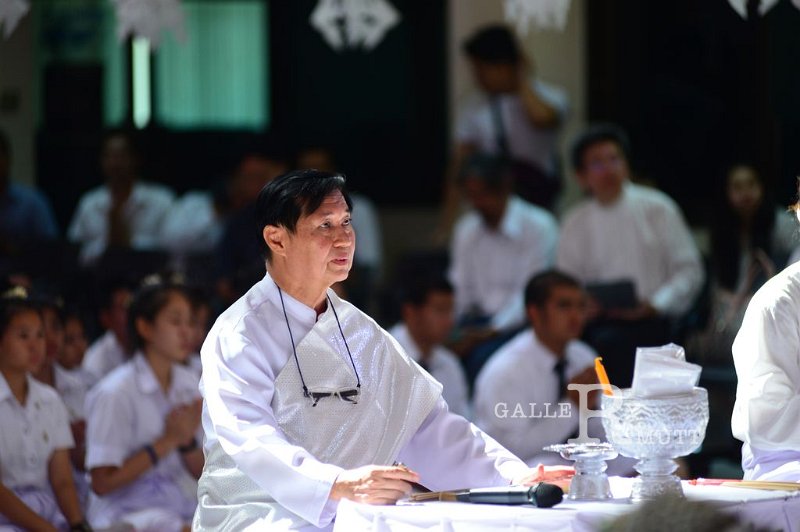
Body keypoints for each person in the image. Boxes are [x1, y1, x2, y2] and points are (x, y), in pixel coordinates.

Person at [194, 170, 573, 531]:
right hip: (258, 515)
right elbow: (249, 436)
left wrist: (511, 475)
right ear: (277, 240)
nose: (343, 238)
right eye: (325, 225)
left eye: (346, 222)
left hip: (350, 511)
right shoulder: (240, 332)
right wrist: (335, 484)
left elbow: (425, 425)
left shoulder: (359, 330)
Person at [556, 124, 704, 386]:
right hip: (597, 323)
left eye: (614, 159)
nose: (609, 169)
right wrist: (583, 304)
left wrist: (656, 303)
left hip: (653, 320)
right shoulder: (574, 222)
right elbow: (566, 281)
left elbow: (690, 270)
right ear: (581, 176)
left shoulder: (658, 208)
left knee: (615, 347)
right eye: (597, 164)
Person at [84, 276, 203, 531]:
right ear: (145, 327)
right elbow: (102, 483)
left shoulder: (190, 383)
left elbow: (203, 471)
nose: (187, 332)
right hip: (128, 511)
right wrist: (167, 441)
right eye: (175, 322)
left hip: (179, 500)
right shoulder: (115, 392)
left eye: (190, 322)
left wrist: (187, 443)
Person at [437, 24, 568, 240]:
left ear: (505, 66)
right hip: (493, 210)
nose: (478, 77)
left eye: (482, 69)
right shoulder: (473, 109)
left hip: (541, 205)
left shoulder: (552, 97)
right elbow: (459, 167)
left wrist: (521, 77)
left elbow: (541, 119)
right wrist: (447, 225)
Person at [473, 271, 599, 466]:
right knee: (547, 462)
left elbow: (598, 426)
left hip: (580, 463)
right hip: (517, 471)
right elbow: (510, 450)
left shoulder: (584, 355)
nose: (576, 316)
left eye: (581, 306)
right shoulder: (506, 371)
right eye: (564, 306)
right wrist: (572, 407)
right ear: (535, 313)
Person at [0, 288, 89, 531]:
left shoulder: (49, 399)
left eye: (40, 335)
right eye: (23, 336)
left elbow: (62, 480)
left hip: (46, 515)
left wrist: (78, 524)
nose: (36, 345)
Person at [68, 129, 174, 265]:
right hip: (99, 276)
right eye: (109, 156)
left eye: (121, 156)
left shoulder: (162, 200)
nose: (115, 163)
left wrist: (128, 242)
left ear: (135, 158)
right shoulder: (89, 203)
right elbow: (73, 251)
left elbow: (171, 251)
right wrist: (107, 244)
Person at [388, 273, 470, 418]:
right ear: (410, 312)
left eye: (451, 310)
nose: (449, 321)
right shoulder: (382, 356)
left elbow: (461, 421)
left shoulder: (450, 365)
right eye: (440, 310)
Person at [0, 129, 59, 255]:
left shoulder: (32, 203)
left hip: (24, 265)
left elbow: (51, 250)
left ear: (7, 158)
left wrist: (14, 249)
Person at [81, 279, 133, 385]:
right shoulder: (94, 364)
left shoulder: (150, 346)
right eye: (123, 308)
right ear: (106, 318)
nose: (131, 313)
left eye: (132, 306)